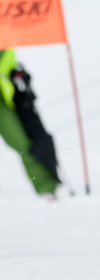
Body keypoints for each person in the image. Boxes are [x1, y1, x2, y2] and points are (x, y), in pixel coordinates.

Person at [0, 48, 60, 198]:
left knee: (23, 143)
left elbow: (9, 62)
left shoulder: (5, 36)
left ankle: (46, 187)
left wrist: (17, 74)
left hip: (5, 99)